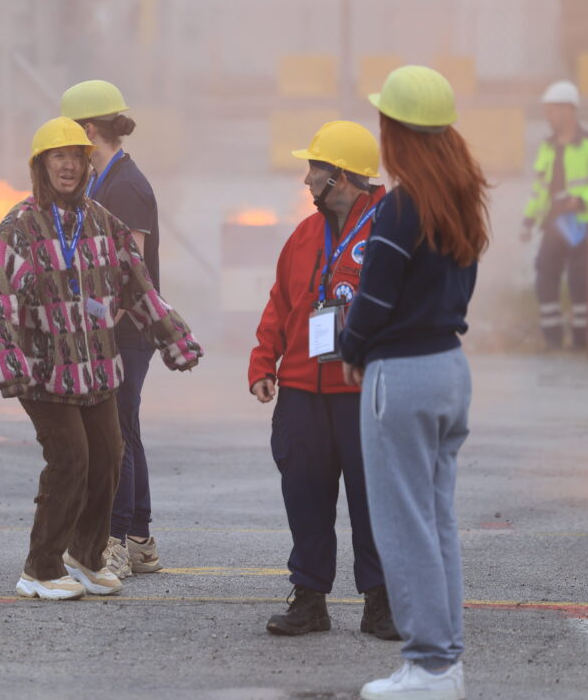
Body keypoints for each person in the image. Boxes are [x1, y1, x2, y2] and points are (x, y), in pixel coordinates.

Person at [0, 116, 203, 601]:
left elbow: (138, 285)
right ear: (41, 166)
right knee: (70, 459)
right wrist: (8, 367)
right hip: (42, 372)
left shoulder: (101, 222)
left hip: (96, 369)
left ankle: (87, 556)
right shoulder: (18, 228)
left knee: (110, 458)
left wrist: (173, 338)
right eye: (59, 157)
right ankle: (40, 566)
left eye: (77, 157)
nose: (69, 166)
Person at [340, 66, 489, 700]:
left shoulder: (401, 207)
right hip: (450, 368)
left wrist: (351, 347)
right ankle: (442, 660)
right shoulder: (459, 198)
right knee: (436, 521)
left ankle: (428, 666)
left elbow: (374, 300)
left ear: (396, 131)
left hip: (400, 376)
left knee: (403, 525)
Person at [248, 120, 398, 640]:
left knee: (371, 501)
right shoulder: (304, 234)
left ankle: (380, 604)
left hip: (362, 397)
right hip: (302, 397)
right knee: (305, 497)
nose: (306, 179)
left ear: (342, 178)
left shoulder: (388, 233)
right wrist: (263, 363)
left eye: (315, 169)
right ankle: (310, 600)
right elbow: (280, 304)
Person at [60, 79, 163, 579]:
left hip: (123, 333)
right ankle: (140, 538)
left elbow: (128, 273)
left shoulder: (124, 186)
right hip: (118, 331)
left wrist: (97, 333)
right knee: (126, 431)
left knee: (112, 437)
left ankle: (116, 541)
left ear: (88, 130)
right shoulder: (106, 181)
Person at [521, 80, 588, 351]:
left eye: (552, 110)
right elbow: (539, 190)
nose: (548, 116)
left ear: (569, 110)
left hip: (584, 224)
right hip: (553, 225)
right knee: (545, 278)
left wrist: (581, 200)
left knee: (580, 281)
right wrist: (528, 221)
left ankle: (581, 340)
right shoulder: (547, 146)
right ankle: (552, 339)